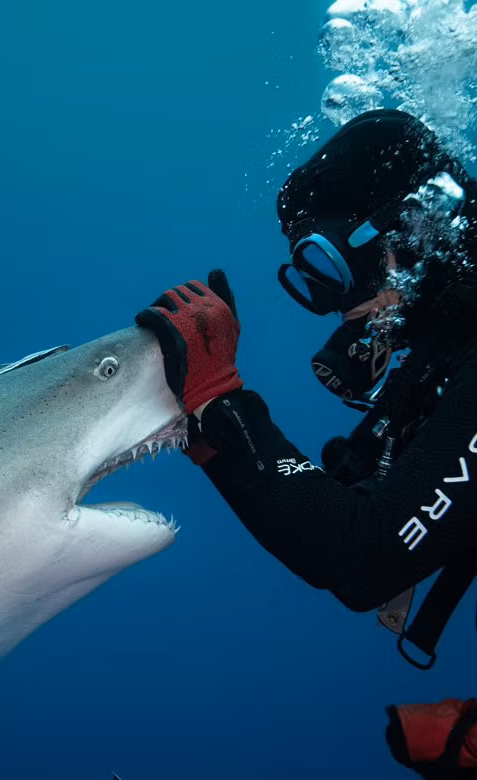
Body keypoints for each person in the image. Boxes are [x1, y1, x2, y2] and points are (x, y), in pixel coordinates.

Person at [134, 109, 477, 778]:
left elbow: (366, 556)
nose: (329, 306)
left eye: (328, 265)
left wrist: (221, 404)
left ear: (409, 236)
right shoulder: (451, 348)